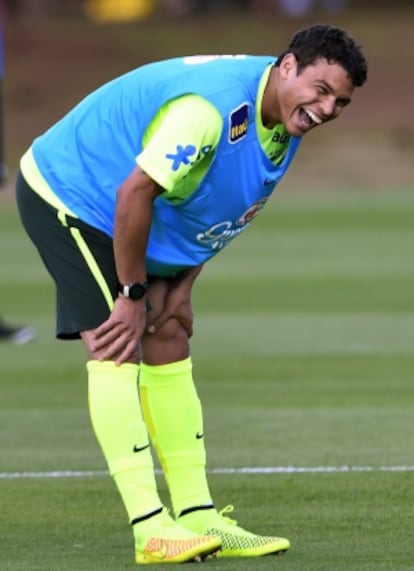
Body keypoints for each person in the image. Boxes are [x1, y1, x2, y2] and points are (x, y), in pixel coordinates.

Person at [15, 24, 367, 565]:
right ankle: (149, 528)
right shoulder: (209, 112)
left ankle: (199, 517)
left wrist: (182, 285)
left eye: (340, 101)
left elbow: (219, 204)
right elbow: (134, 191)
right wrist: (132, 292)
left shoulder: (282, 121)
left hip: (137, 207)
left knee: (170, 334)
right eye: (321, 90)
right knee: (116, 342)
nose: (327, 108)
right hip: (73, 193)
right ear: (289, 65)